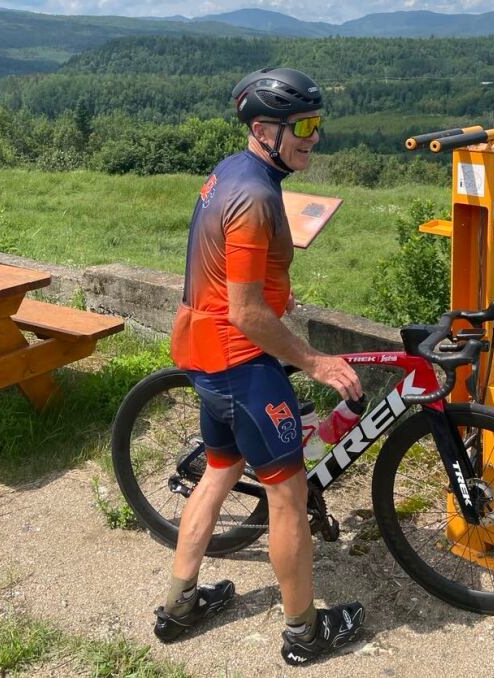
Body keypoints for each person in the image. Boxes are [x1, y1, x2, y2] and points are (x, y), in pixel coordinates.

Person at [154, 67, 365, 666]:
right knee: (288, 499)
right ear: (265, 128)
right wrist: (316, 360)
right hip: (241, 362)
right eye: (303, 126)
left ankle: (178, 606)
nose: (313, 137)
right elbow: (246, 312)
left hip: (202, 352)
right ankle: (304, 633)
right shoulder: (255, 196)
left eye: (317, 124)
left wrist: (276, 287)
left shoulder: (233, 171)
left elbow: (230, 275)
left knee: (219, 472)